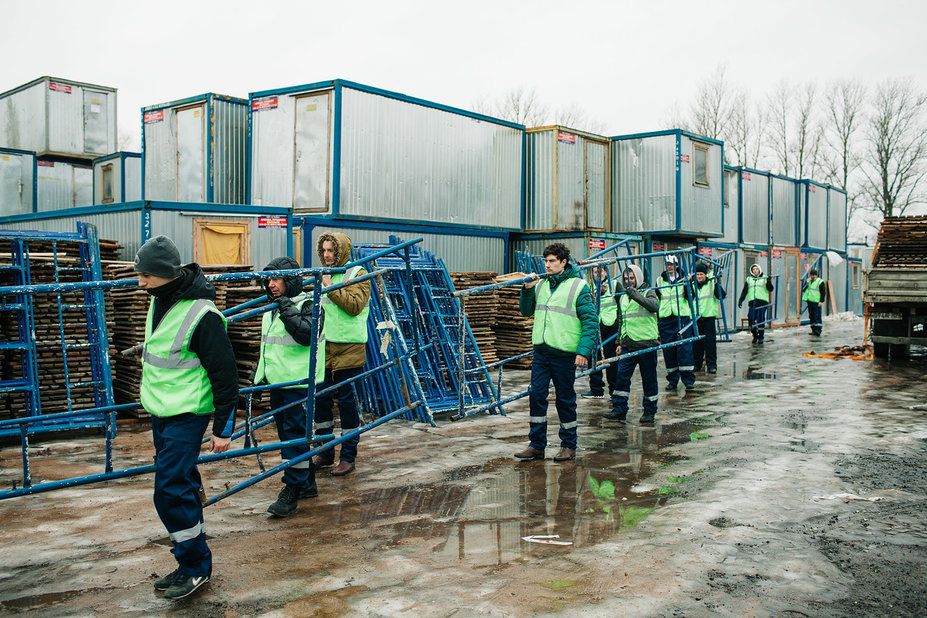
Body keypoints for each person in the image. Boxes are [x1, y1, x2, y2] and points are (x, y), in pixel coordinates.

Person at [135, 235, 238, 600]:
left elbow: (226, 375)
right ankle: (188, 561)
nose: (140, 282)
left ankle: (196, 567)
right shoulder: (160, 300)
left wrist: (224, 427)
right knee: (181, 486)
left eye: (146, 275)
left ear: (166, 273)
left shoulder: (202, 315)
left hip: (187, 413)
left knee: (169, 491)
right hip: (162, 412)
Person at [255, 256, 326, 518]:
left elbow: (306, 335)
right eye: (268, 280)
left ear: (291, 280)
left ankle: (292, 490)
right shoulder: (275, 306)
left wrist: (285, 306)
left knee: (294, 436)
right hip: (278, 381)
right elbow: (269, 346)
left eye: (276, 279)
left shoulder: (310, 302)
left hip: (298, 383)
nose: (271, 284)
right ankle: (306, 481)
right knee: (288, 435)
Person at [514, 243, 598, 462]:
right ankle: (537, 445)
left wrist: (583, 351)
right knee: (537, 395)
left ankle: (569, 444)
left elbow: (591, 322)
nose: (547, 265)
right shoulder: (540, 284)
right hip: (542, 352)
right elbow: (525, 311)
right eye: (545, 261)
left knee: (565, 399)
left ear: (564, 262)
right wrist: (528, 289)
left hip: (564, 353)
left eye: (552, 261)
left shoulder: (579, 286)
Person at [312, 233, 370, 477]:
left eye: (331, 251)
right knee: (321, 402)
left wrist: (329, 286)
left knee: (347, 404)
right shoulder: (324, 273)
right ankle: (324, 451)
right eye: (324, 250)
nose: (327, 255)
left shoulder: (357, 273)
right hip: (325, 349)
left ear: (341, 251)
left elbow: (354, 305)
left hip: (349, 349)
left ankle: (348, 457)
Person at [604, 264, 661, 425]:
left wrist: (635, 295)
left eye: (632, 277)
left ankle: (649, 411)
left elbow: (654, 307)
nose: (629, 281)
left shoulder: (648, 291)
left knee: (649, 379)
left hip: (646, 343)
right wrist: (619, 342)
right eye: (626, 278)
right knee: (621, 378)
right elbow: (622, 320)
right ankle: (619, 409)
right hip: (628, 344)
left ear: (639, 277)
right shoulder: (623, 296)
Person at [655, 255, 696, 391]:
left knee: (685, 349)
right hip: (666, 319)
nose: (670, 267)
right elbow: (658, 298)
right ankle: (672, 381)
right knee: (669, 351)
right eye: (667, 264)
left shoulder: (685, 279)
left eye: (672, 264)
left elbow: (692, 296)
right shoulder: (659, 280)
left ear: (677, 265)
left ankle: (688, 380)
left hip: (682, 317)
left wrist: (689, 284)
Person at [581, 266, 619, 401]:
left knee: (612, 361)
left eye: (600, 271)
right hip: (595, 328)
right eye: (595, 272)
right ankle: (596, 389)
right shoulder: (589, 287)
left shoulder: (614, 285)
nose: (598, 274)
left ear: (605, 272)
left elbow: (621, 307)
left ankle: (614, 391)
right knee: (594, 359)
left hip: (611, 328)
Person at [692, 262, 725, 373]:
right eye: (697, 274)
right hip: (697, 318)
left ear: (705, 274)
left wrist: (717, 284)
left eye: (701, 274)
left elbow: (722, 295)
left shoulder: (711, 283)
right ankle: (697, 364)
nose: (699, 276)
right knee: (697, 343)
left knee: (710, 343)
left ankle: (712, 365)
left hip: (709, 317)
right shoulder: (692, 285)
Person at [738, 263, 774, 344]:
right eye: (753, 269)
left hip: (762, 302)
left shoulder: (764, 278)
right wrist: (741, 300)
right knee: (750, 318)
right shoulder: (749, 279)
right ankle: (755, 335)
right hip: (752, 302)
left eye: (756, 269)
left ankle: (761, 337)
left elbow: (770, 289)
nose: (755, 271)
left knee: (760, 319)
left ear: (759, 270)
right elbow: (745, 291)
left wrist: (768, 281)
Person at [801, 268, 827, 336]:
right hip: (810, 301)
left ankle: (818, 330)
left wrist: (821, 301)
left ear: (816, 275)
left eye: (814, 275)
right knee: (811, 316)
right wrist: (806, 282)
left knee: (817, 316)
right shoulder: (809, 282)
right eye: (812, 275)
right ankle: (813, 329)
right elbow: (803, 289)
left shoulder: (820, 282)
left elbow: (823, 292)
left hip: (817, 302)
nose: (813, 276)